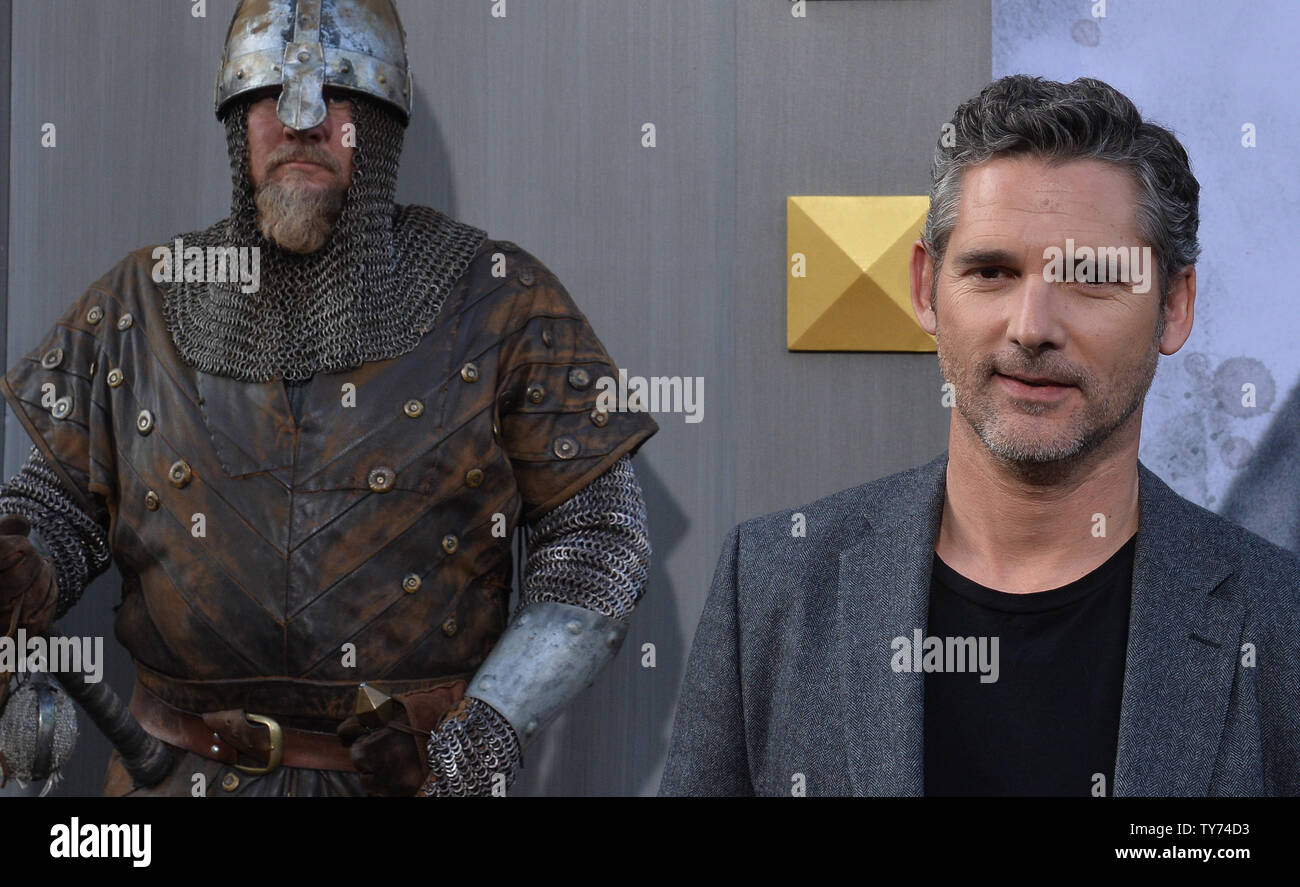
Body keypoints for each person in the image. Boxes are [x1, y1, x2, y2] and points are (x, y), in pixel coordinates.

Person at [0, 0, 656, 797]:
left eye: (335, 97)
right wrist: (28, 569)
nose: (301, 121)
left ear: (378, 126)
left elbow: (599, 543)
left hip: (405, 783)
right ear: (238, 122)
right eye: (270, 95)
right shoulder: (145, 298)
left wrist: (473, 746)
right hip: (172, 780)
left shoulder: (499, 304)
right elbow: (59, 512)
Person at [660, 74, 1300, 797]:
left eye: (1090, 277)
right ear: (925, 285)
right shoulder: (774, 584)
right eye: (992, 271)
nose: (1032, 327)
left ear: (1175, 305)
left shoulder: (1280, 623)